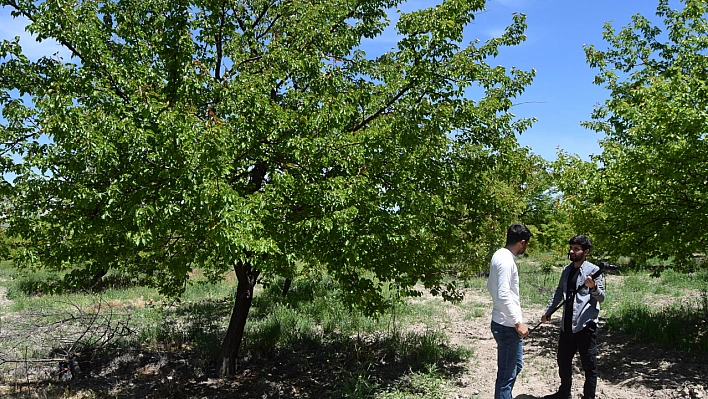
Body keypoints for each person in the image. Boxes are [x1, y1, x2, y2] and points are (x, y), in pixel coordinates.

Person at [541, 235, 606, 399]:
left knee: (589, 366)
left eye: (576, 249)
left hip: (585, 326)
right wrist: (549, 311)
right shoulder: (567, 270)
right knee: (563, 361)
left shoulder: (594, 271)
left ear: (586, 252)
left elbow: (601, 297)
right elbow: (558, 293)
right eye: (571, 248)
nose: (572, 251)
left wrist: (594, 287)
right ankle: (564, 393)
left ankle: (588, 397)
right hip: (567, 325)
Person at [488, 223, 532, 399]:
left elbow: (491, 286)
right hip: (507, 326)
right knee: (506, 376)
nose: (526, 247)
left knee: (516, 366)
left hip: (505, 323)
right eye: (526, 244)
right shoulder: (506, 261)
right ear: (521, 242)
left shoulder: (500, 255)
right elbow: (503, 295)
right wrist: (517, 322)